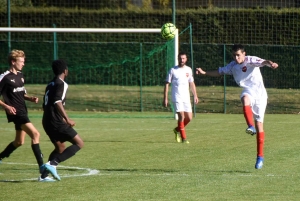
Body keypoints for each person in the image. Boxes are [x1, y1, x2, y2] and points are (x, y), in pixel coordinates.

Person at [196, 44, 278, 169]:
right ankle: (250, 126)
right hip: (249, 91)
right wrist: (204, 72)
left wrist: (271, 63)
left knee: (260, 124)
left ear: (244, 54)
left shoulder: (250, 60)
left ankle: (260, 156)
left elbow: (264, 62)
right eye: (234, 55)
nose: (236, 57)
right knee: (245, 99)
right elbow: (219, 72)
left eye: (238, 55)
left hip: (261, 96)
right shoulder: (232, 66)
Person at [0, 49, 44, 175]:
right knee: (36, 134)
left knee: (19, 142)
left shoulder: (20, 75)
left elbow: (20, 93)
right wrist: (6, 106)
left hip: (23, 110)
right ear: (13, 62)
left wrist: (29, 98)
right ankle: (42, 169)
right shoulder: (4, 77)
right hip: (16, 113)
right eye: (21, 61)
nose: (23, 64)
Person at [40, 59, 84, 181]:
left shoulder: (50, 84)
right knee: (79, 143)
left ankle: (44, 176)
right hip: (56, 121)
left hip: (47, 121)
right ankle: (53, 163)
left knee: (60, 148)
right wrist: (67, 119)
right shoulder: (62, 84)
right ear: (65, 71)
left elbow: (45, 104)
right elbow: (57, 102)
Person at [163, 52, 199, 144]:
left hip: (186, 97)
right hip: (177, 97)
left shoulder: (189, 70)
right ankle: (184, 138)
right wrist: (165, 98)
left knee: (189, 118)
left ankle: (177, 129)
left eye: (183, 58)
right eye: (180, 58)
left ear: (186, 59)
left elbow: (191, 83)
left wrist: (195, 95)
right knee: (181, 116)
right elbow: (167, 84)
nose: (181, 60)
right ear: (177, 59)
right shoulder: (173, 70)